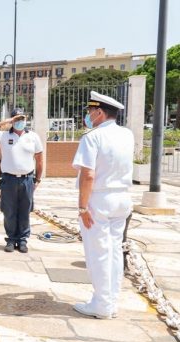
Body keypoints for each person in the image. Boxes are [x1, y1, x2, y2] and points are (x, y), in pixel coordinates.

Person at [72, 91, 133, 319]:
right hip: (122, 197)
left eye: (90, 111)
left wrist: (82, 207)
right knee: (115, 251)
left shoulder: (92, 137)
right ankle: (111, 301)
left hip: (99, 199)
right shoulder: (127, 134)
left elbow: (88, 175)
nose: (88, 115)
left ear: (99, 112)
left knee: (98, 253)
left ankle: (101, 305)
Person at [0, 108, 43, 253]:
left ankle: (22, 240)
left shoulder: (33, 137)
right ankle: (11, 239)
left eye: (22, 118)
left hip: (27, 179)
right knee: (8, 211)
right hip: (9, 180)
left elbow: (39, 160)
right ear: (11, 120)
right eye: (16, 119)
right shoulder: (2, 135)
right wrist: (0, 124)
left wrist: (37, 180)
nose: (20, 122)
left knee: (25, 210)